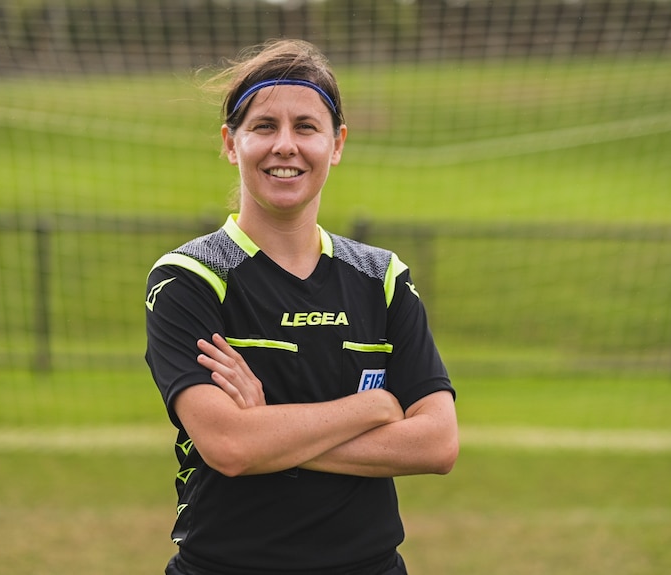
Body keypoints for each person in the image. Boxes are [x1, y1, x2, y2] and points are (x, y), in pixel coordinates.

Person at [145, 38, 458, 575]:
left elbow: (436, 444)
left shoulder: (382, 278)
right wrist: (372, 408)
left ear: (336, 144)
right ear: (230, 142)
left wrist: (267, 429)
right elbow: (229, 446)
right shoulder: (188, 278)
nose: (285, 145)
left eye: (306, 127)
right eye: (264, 126)